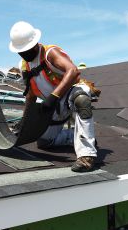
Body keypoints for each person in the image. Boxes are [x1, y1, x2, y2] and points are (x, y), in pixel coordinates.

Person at [9, 21, 97, 172]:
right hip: (53, 106)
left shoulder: (50, 53)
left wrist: (54, 96)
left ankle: (86, 156)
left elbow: (73, 71)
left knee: (81, 100)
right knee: (45, 142)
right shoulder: (24, 65)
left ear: (35, 43)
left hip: (70, 94)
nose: (24, 54)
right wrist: (24, 122)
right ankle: (72, 137)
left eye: (27, 50)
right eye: (21, 51)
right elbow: (30, 95)